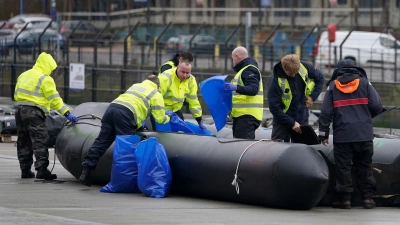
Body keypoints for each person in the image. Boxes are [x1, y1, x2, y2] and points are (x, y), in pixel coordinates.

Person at [79, 75, 171, 186]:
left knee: (101, 141)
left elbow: (135, 102)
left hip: (111, 109)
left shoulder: (136, 85)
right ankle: (124, 180)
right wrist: (169, 116)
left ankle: (86, 172)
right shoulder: (156, 94)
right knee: (126, 147)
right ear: (158, 85)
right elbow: (160, 118)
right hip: (126, 114)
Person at [318, 59, 383, 209]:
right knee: (365, 165)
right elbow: (377, 105)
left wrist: (323, 134)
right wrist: (365, 118)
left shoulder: (333, 86)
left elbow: (325, 113)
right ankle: (367, 199)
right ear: (355, 68)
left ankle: (344, 200)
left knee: (344, 168)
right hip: (364, 134)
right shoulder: (365, 83)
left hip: (343, 135)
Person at [14, 52, 78, 180]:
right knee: (39, 140)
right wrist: (67, 113)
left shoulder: (24, 75)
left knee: (23, 141)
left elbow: (16, 93)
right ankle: (42, 170)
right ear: (47, 65)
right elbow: (54, 99)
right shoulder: (45, 79)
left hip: (19, 110)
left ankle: (25, 170)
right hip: (34, 112)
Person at [267, 54, 324, 142]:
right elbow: (274, 108)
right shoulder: (275, 81)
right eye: (291, 73)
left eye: (295, 72)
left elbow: (320, 78)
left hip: (301, 117)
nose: (294, 75)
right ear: (284, 68)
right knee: (277, 148)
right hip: (282, 119)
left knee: (302, 148)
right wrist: (292, 123)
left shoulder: (304, 67)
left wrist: (312, 97)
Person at [224, 46, 263, 139]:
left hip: (246, 116)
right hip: (242, 115)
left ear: (237, 57)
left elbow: (253, 89)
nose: (233, 61)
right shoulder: (243, 70)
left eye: (233, 58)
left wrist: (236, 87)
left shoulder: (248, 70)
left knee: (243, 147)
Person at [158, 61, 206, 129]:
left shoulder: (191, 80)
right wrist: (162, 112)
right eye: (183, 72)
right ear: (177, 68)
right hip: (160, 111)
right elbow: (156, 97)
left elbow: (193, 101)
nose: (185, 75)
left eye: (187, 73)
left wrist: (199, 120)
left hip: (175, 111)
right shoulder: (166, 77)